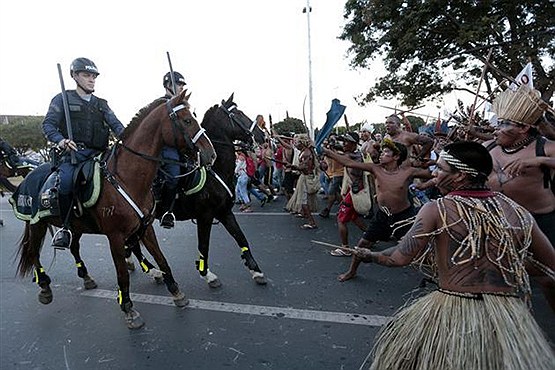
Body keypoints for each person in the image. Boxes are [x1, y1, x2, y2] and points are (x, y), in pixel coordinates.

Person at [348, 141, 554, 370]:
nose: (434, 173)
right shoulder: (516, 211)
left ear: (459, 176)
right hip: (508, 318)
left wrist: (369, 255)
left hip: (454, 310)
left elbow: (399, 257)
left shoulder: (439, 209)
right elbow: (550, 265)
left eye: (441, 169)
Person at [42, 57, 125, 249]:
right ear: (75, 76)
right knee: (66, 183)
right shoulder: (61, 99)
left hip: (101, 154)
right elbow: (48, 125)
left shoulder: (101, 104)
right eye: (86, 75)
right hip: (74, 154)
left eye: (93, 76)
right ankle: (65, 228)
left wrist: (129, 140)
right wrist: (61, 141)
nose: (91, 79)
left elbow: (117, 126)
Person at [323, 138, 432, 281]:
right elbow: (348, 163)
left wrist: (428, 168)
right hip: (383, 216)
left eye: (386, 152)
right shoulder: (376, 168)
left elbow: (434, 175)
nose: (381, 154)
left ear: (396, 157)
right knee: (362, 245)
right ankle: (352, 271)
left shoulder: (408, 172)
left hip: (404, 217)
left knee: (418, 249)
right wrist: (327, 152)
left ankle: (439, 275)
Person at [484, 85, 554, 245]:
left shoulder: (545, 147)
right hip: (498, 221)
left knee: (544, 268)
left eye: (504, 124)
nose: (497, 129)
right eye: (498, 123)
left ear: (524, 128)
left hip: (540, 221)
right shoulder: (487, 147)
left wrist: (539, 160)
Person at [327, 132, 368, 256]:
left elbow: (340, 156)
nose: (343, 143)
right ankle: (370, 236)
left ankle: (345, 248)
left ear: (354, 144)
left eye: (347, 141)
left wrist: (326, 150)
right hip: (353, 190)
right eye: (343, 141)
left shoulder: (354, 157)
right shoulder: (353, 154)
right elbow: (340, 150)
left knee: (341, 219)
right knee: (354, 217)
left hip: (355, 192)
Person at [158, 71, 187, 228]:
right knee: (174, 176)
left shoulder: (183, 105)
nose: (181, 88)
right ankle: (166, 211)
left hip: (184, 148)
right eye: (179, 84)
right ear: (168, 85)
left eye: (182, 85)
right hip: (167, 148)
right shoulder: (160, 104)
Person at [286, 134, 319, 229]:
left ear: (302, 143)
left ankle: (311, 222)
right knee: (303, 199)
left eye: (296, 142)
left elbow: (305, 168)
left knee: (303, 200)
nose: (295, 144)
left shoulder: (306, 153)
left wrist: (293, 167)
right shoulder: (305, 151)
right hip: (304, 177)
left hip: (306, 178)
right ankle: (305, 214)